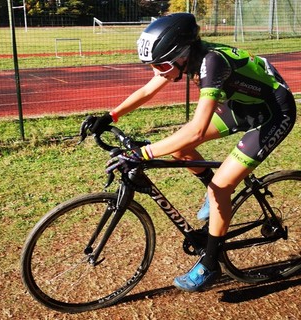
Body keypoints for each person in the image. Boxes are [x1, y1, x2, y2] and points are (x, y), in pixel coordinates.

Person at [84, 13, 296, 292]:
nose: (158, 72)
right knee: (181, 150)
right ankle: (216, 197)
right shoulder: (188, 58)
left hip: (273, 113)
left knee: (221, 186)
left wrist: (144, 154)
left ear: (182, 55)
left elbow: (197, 129)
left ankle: (209, 265)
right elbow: (149, 89)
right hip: (242, 106)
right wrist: (111, 116)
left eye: (161, 65)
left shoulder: (212, 63)